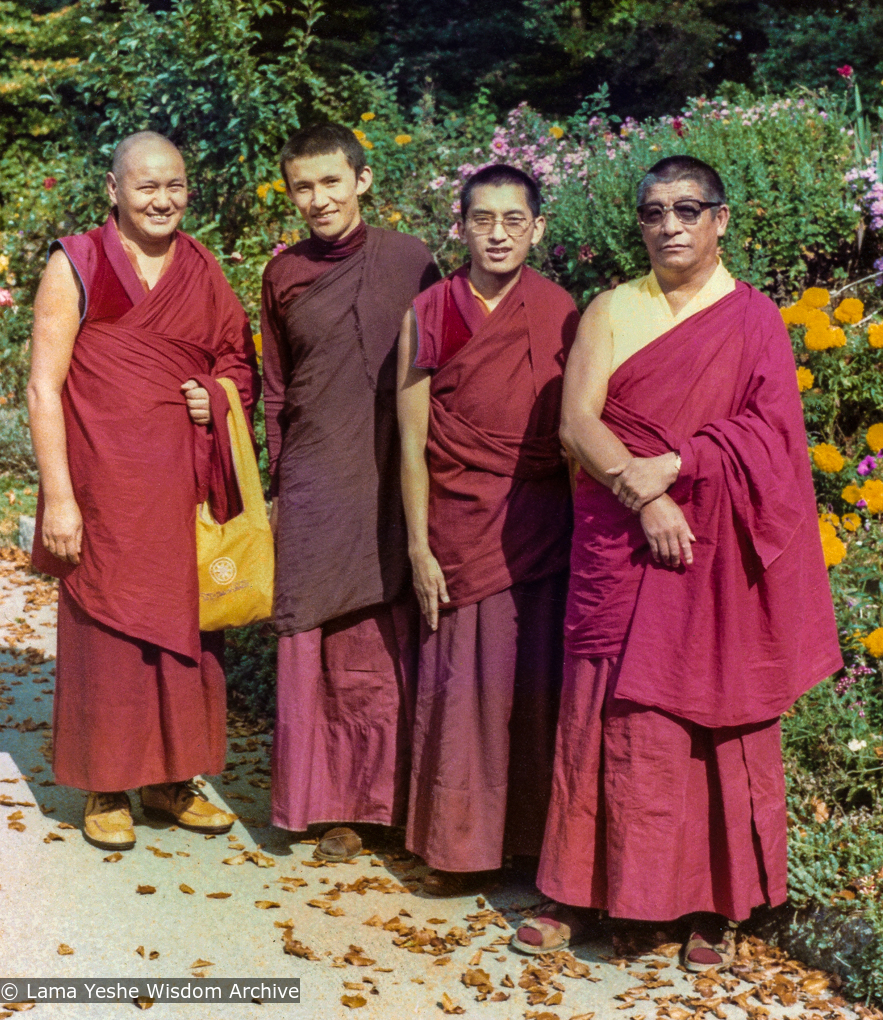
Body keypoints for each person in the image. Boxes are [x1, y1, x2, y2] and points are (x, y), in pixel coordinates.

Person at [513, 156, 842, 967]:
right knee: (602, 719)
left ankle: (711, 903)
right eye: (653, 212)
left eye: (687, 210)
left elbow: (771, 438)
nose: (669, 226)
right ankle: (577, 894)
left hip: (714, 555)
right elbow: (575, 423)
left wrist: (684, 463)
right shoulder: (611, 308)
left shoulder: (753, 319)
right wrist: (645, 494)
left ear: (720, 220)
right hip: (623, 543)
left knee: (711, 717)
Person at [28, 131, 260, 850]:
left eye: (175, 186)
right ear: (114, 190)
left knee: (185, 635)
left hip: (180, 489)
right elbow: (42, 386)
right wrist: (59, 498)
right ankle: (106, 784)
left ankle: (170, 779)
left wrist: (215, 399)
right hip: (102, 487)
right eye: (146, 186)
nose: (162, 200)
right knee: (108, 637)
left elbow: (237, 363)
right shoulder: (78, 263)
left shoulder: (201, 266)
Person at [397, 164, 579, 896]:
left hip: (539, 526)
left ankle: (533, 845)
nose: (497, 234)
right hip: (459, 526)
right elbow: (410, 439)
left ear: (537, 228)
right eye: (482, 219)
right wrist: (417, 546)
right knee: (464, 686)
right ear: (460, 225)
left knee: (534, 687)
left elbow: (574, 434)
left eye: (513, 220)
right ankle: (457, 847)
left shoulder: (562, 309)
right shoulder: (431, 309)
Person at [261, 123, 439, 861]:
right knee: (315, 634)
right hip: (314, 469)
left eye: (331, 182)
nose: (318, 199)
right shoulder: (283, 274)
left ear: (361, 181)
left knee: (384, 635)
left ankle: (389, 803)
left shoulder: (410, 261)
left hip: (392, 471)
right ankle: (321, 803)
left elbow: (440, 369)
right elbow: (274, 388)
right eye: (303, 186)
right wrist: (277, 480)